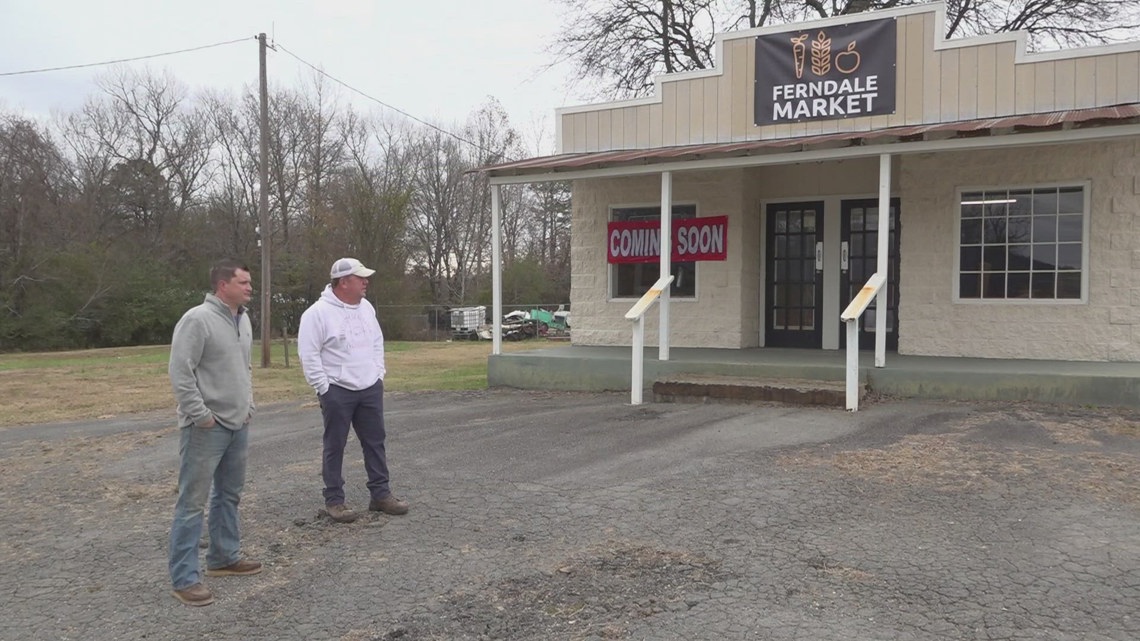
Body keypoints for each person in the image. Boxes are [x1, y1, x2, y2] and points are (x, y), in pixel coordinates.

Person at [167, 259, 261, 607]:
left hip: (239, 424)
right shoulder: (197, 320)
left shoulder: (243, 319)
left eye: (250, 282)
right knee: (192, 504)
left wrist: (248, 405)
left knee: (229, 495)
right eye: (244, 282)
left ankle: (224, 558)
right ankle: (184, 579)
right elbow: (180, 372)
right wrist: (201, 416)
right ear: (223, 285)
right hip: (206, 428)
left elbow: (244, 368)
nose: (250, 287)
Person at [298, 257, 409, 523]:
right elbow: (309, 355)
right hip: (337, 390)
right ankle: (335, 500)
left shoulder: (366, 308)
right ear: (344, 282)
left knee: (375, 441)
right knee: (334, 445)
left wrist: (378, 373)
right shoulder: (317, 314)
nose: (366, 282)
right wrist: (324, 388)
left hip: (369, 387)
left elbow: (376, 342)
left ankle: (380, 495)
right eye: (360, 278)